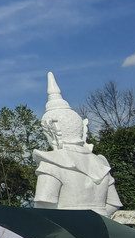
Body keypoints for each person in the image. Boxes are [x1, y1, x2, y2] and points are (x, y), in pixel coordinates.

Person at [34, 72, 123, 215]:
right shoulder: (100, 163)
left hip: (65, 226)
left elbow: (43, 205)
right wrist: (95, 218)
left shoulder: (52, 164)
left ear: (52, 131)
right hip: (99, 224)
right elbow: (113, 203)